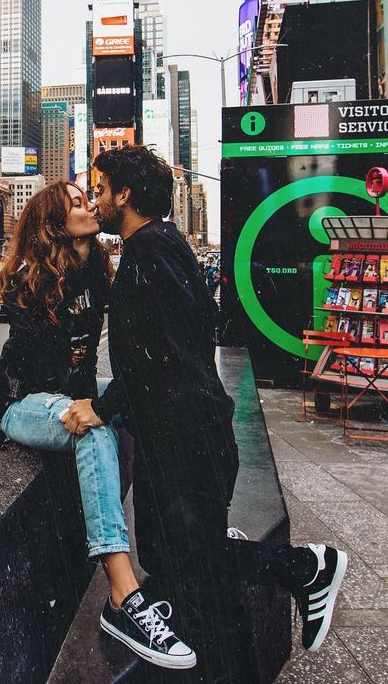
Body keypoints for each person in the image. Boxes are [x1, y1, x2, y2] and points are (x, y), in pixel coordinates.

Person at [63, 147, 347, 681]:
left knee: (197, 573)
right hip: (188, 435)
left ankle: (306, 567)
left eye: (100, 189)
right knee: (184, 566)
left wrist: (103, 407)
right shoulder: (164, 246)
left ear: (125, 194)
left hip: (184, 442)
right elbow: (197, 332)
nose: (96, 199)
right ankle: (303, 571)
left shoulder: (148, 252)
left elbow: (162, 355)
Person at [0, 181, 196, 671]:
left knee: (139, 401)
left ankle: (195, 527)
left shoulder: (96, 271)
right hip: (22, 402)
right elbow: (41, 372)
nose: (89, 205)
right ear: (55, 222)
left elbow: (105, 353)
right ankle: (123, 595)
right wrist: (92, 405)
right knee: (92, 429)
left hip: (69, 391)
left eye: (87, 198)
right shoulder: (33, 278)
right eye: (76, 203)